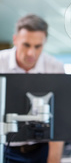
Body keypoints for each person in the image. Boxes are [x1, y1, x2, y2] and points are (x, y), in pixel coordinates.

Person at [0, 14, 65, 163]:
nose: (31, 53)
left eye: (37, 46)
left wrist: (54, 159)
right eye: (26, 45)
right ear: (15, 40)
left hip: (41, 150)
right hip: (5, 148)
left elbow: (60, 121)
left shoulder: (55, 68)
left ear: (45, 43)